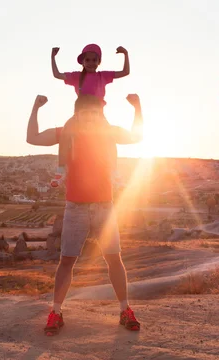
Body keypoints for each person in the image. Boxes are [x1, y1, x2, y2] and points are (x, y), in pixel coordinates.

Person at [26, 93, 143, 336]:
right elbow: (32, 138)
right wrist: (36, 108)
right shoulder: (66, 132)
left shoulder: (108, 132)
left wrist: (137, 107)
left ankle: (125, 310)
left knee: (114, 258)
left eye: (94, 113)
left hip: (104, 206)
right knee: (67, 261)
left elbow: (137, 136)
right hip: (76, 206)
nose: (90, 117)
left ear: (99, 114)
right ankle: (56, 312)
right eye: (85, 113)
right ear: (76, 113)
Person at [50, 44, 130, 186]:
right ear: (83, 62)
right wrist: (53, 57)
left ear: (99, 62)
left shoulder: (103, 76)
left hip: (98, 114)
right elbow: (57, 74)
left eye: (94, 60)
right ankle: (61, 169)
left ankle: (113, 171)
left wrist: (125, 54)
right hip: (79, 114)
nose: (91, 63)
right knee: (65, 135)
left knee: (109, 138)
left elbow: (125, 72)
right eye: (88, 60)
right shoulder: (76, 77)